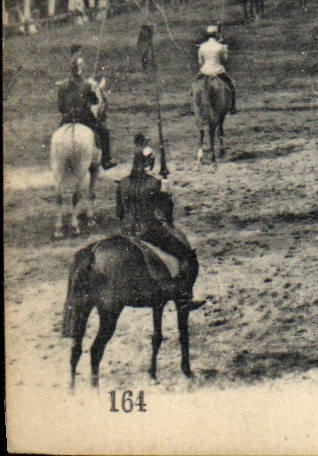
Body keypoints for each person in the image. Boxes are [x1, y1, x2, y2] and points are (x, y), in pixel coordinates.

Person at [116, 135, 205, 310]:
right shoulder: (155, 183)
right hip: (149, 230)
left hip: (126, 231)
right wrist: (164, 183)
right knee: (187, 255)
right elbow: (167, 210)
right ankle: (185, 297)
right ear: (149, 163)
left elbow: (119, 212)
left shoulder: (123, 183)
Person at [57, 47, 114, 170]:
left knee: (58, 137)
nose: (83, 66)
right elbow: (95, 101)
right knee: (104, 131)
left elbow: (60, 107)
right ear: (80, 68)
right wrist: (91, 89)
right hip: (84, 118)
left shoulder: (63, 85)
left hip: (67, 119)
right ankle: (106, 160)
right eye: (81, 65)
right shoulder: (87, 85)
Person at [197, 24, 236, 114]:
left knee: (193, 87)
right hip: (218, 71)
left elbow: (200, 62)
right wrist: (225, 51)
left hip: (205, 71)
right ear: (217, 35)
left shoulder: (202, 46)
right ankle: (232, 106)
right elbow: (224, 60)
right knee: (231, 86)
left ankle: (193, 104)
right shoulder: (220, 46)